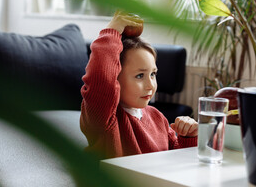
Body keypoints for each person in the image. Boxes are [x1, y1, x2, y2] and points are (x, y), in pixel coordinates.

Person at [80, 11, 198, 160]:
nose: (150, 85)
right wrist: (113, 29)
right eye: (140, 76)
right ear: (114, 77)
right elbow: (101, 77)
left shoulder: (157, 117)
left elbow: (175, 158)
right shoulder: (105, 119)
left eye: (153, 74)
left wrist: (188, 137)